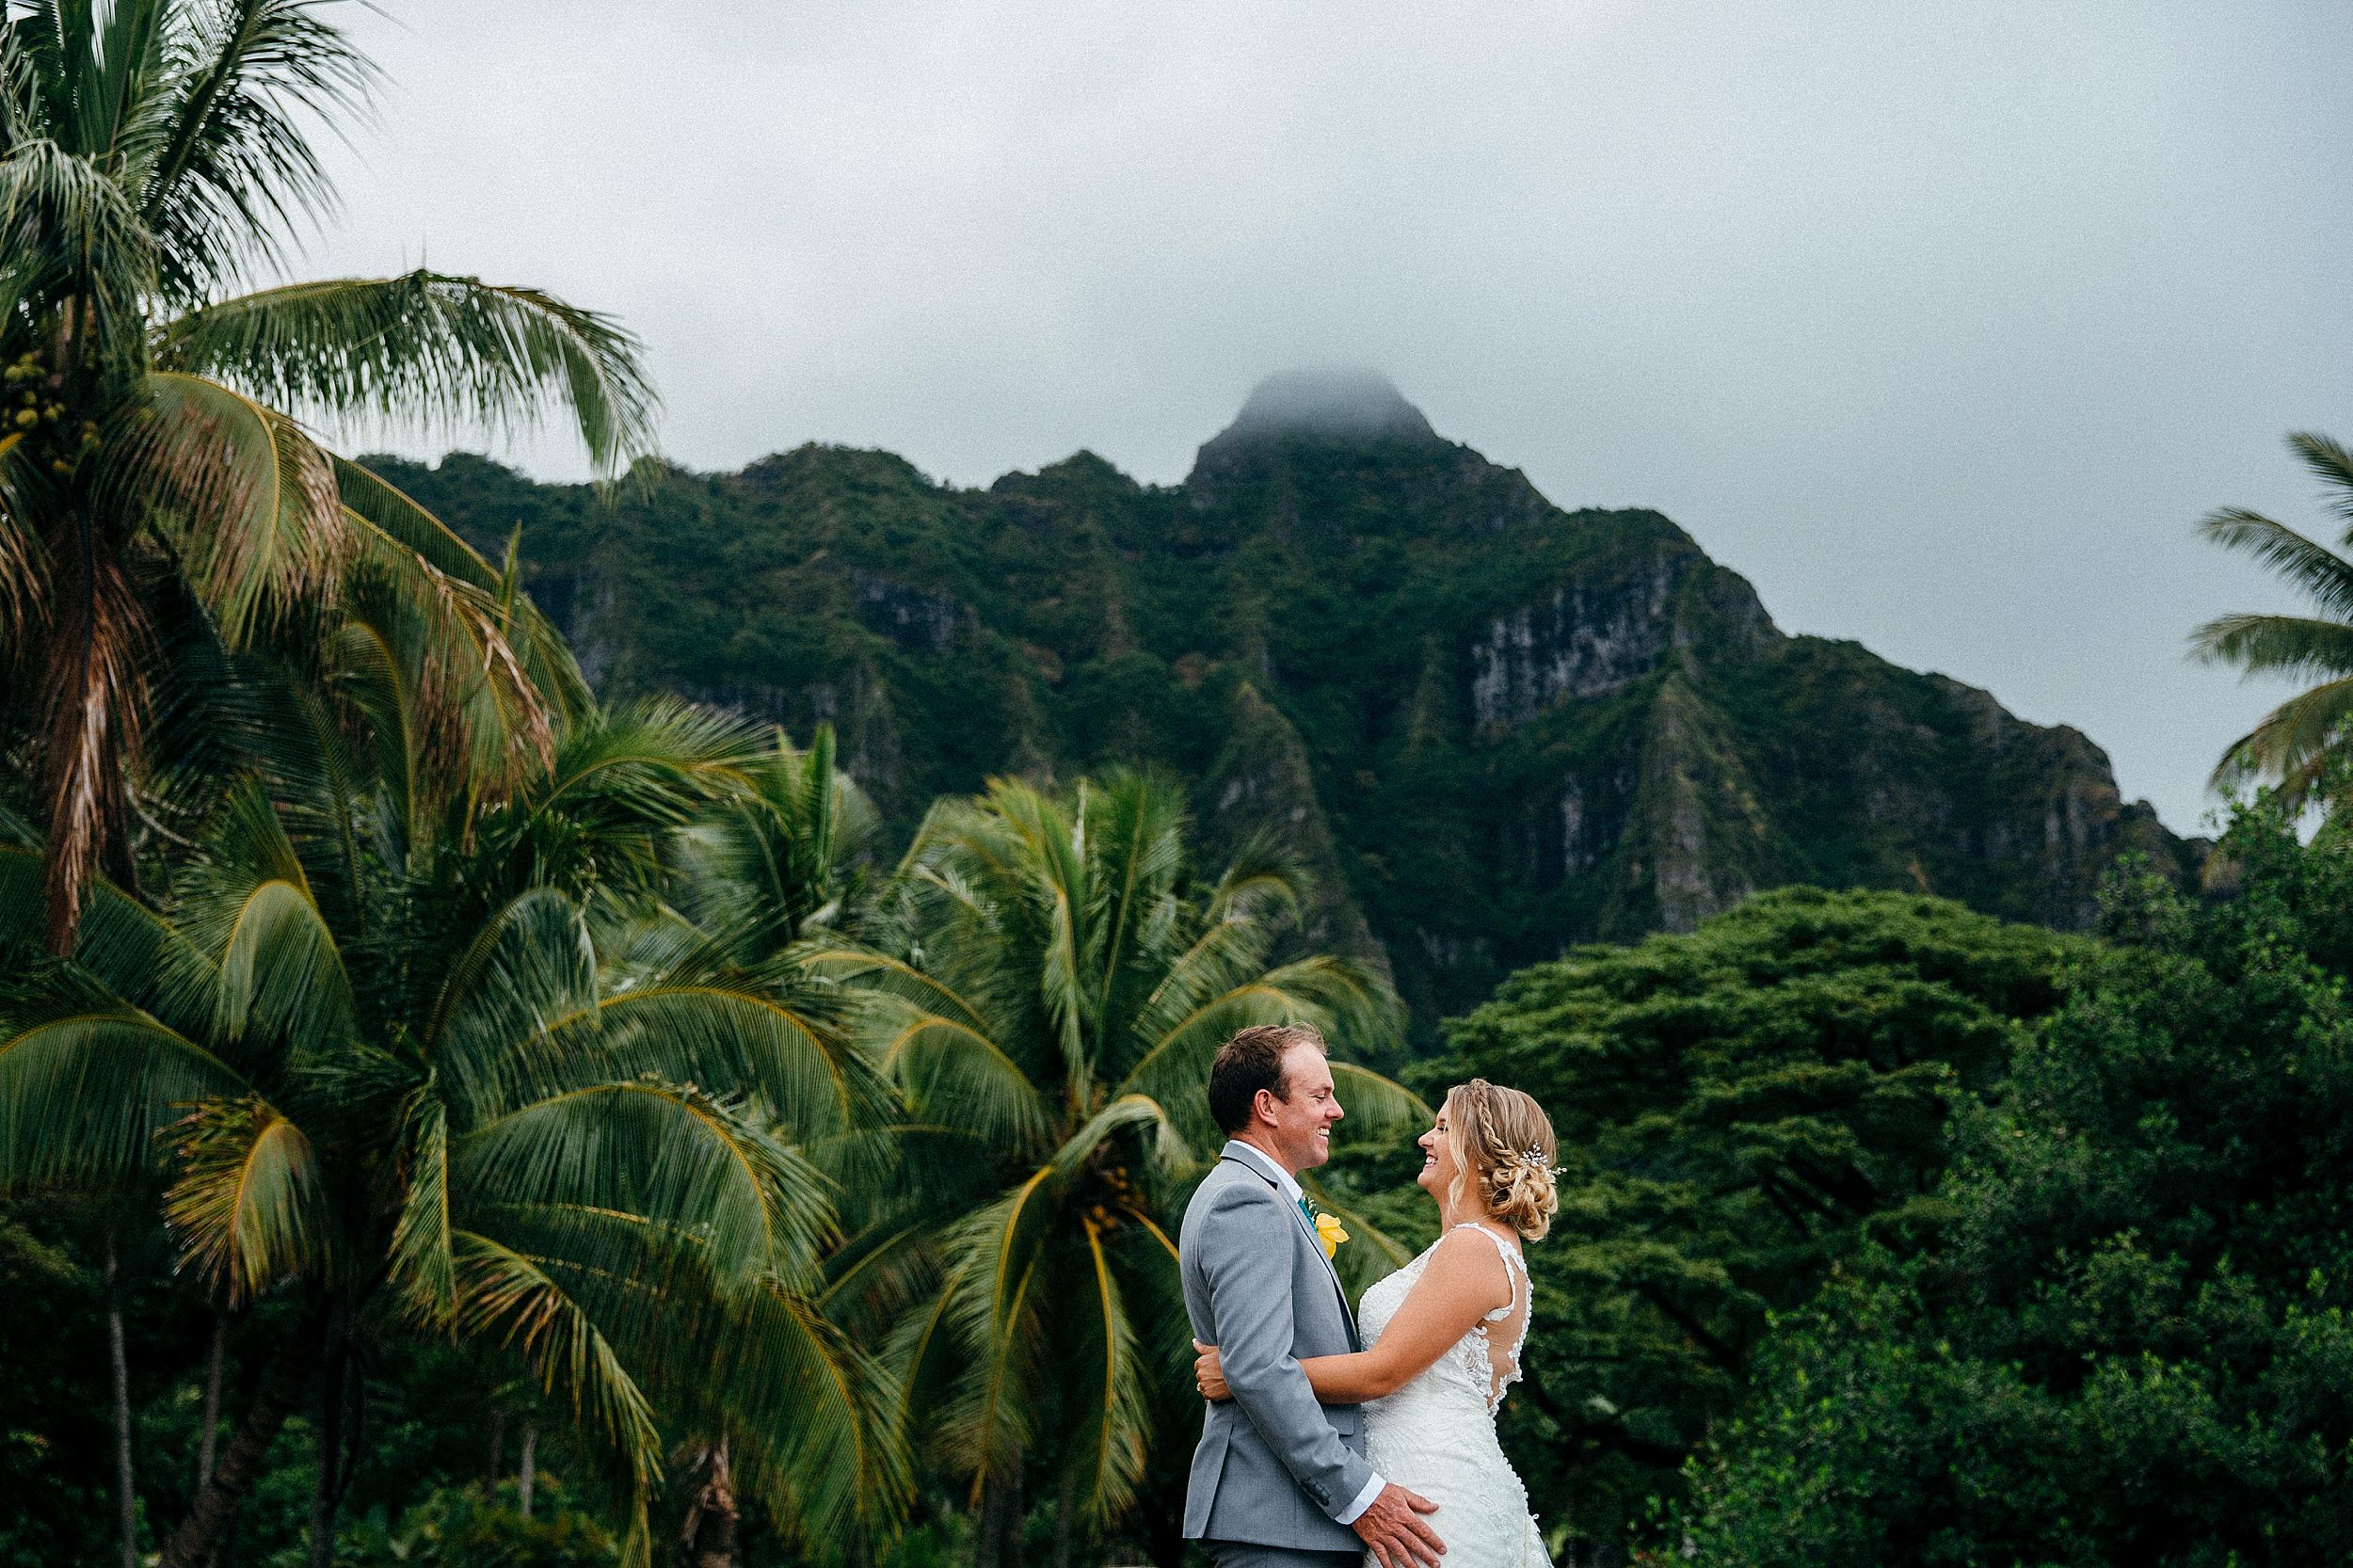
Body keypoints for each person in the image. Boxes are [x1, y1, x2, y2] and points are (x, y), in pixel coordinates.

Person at [1194, 1078, 1557, 1568]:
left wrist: (1242, 1373)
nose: (1426, 1139)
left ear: (1480, 1151)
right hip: (1406, 1477)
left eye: (1444, 1127)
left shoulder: (1474, 1248)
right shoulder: (1468, 1248)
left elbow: (1381, 1373)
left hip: (1432, 1487)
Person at [1178, 1024, 1449, 1568]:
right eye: (1320, 1096)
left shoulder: (1256, 1194)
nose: (1337, 1111)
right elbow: (1258, 1368)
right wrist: (1360, 1496)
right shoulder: (1246, 1202)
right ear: (1267, 1107)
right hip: (1279, 1522)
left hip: (1292, 1523)